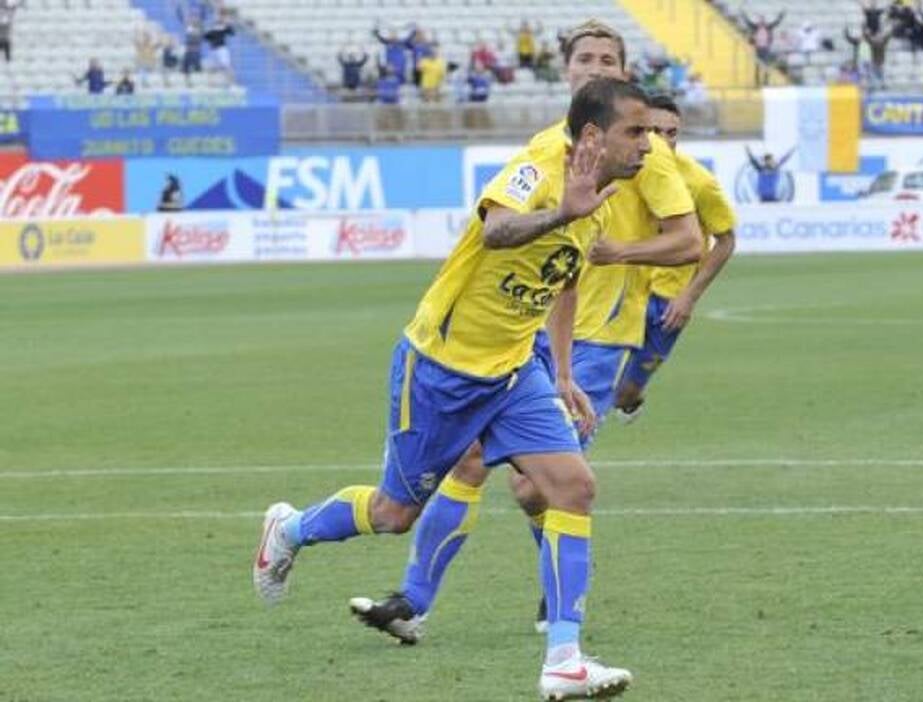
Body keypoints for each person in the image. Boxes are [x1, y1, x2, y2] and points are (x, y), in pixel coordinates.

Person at [255, 78, 655, 700]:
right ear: (593, 136)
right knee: (393, 514)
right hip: (442, 369)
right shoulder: (539, 167)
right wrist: (563, 212)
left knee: (573, 486)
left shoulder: (600, 197)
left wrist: (563, 372)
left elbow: (563, 279)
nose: (648, 145)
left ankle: (564, 659)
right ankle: (290, 529)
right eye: (636, 131)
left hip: (514, 372)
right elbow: (496, 229)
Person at [612, 93, 736, 423]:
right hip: (623, 291)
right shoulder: (623, 172)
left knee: (624, 392)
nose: (663, 140)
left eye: (671, 133)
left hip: (668, 303)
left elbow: (726, 240)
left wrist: (689, 297)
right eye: (654, 131)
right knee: (592, 375)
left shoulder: (699, 182)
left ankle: (631, 399)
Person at [203, 14, 234, 78]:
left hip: (221, 49)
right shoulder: (212, 29)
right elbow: (206, 37)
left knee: (226, 65)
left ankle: (231, 79)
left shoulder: (223, 28)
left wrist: (229, 24)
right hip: (213, 49)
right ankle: (211, 82)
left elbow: (231, 33)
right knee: (211, 67)